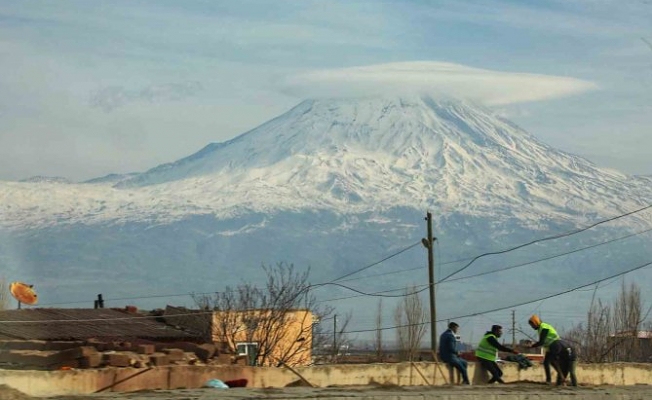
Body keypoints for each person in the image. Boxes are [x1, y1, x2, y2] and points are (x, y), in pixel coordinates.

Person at [528, 314, 563, 385]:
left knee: (550, 362)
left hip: (555, 345)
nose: (532, 327)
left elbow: (541, 342)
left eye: (532, 325)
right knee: (549, 362)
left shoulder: (544, 327)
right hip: (551, 346)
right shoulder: (541, 328)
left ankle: (553, 379)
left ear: (535, 322)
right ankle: (560, 378)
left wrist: (532, 346)